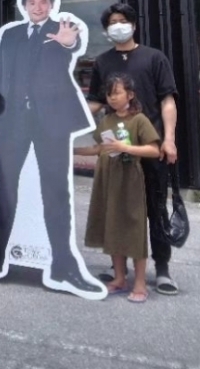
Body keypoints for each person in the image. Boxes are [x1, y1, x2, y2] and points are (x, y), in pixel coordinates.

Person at [0, 0, 103, 296]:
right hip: (12, 119)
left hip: (52, 121)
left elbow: (73, 45)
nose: (38, 7)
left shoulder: (63, 28)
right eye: (32, 3)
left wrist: (68, 43)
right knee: (3, 188)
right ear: (24, 7)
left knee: (56, 191)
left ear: (51, 5)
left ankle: (64, 266)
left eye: (43, 2)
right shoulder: (9, 35)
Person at [87, 3, 179, 295]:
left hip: (150, 146)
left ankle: (162, 268)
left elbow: (167, 100)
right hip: (117, 153)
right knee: (118, 209)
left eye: (123, 20)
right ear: (106, 30)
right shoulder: (102, 62)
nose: (118, 26)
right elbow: (95, 102)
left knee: (155, 209)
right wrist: (66, 121)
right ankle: (119, 270)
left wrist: (169, 139)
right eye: (112, 22)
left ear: (134, 25)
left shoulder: (154, 57)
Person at [75, 74, 160, 303]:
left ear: (130, 95)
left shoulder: (139, 119)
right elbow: (99, 148)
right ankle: (120, 278)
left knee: (134, 227)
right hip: (107, 178)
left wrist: (126, 148)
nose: (112, 98)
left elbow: (154, 150)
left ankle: (140, 283)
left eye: (117, 93)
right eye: (109, 94)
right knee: (111, 224)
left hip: (130, 179)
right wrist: (71, 151)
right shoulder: (106, 120)